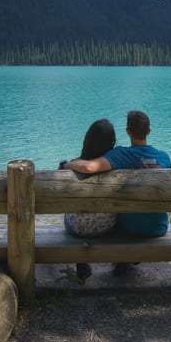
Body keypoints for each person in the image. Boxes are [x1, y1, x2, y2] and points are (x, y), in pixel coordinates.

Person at [62, 110, 171, 273]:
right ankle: (123, 263)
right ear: (149, 131)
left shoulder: (122, 155)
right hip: (159, 227)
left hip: (131, 228)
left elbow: (90, 167)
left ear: (128, 131)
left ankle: (120, 262)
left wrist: (67, 165)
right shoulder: (164, 158)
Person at [59, 118, 119, 281]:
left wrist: (65, 165)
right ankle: (122, 263)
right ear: (112, 142)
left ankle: (82, 265)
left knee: (73, 214)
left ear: (87, 139)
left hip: (77, 228)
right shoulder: (116, 165)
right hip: (108, 226)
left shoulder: (73, 166)